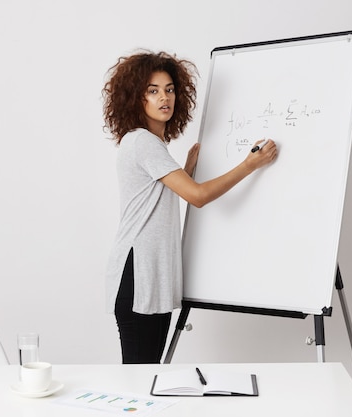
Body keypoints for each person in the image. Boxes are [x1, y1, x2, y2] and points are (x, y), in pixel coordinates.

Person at [102, 50, 278, 364]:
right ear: (135, 98)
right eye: (152, 91)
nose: (164, 97)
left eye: (169, 89)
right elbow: (196, 197)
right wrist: (250, 164)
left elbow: (165, 197)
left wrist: (185, 170)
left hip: (151, 278)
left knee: (149, 376)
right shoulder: (142, 142)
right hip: (138, 276)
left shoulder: (153, 147)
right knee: (139, 379)